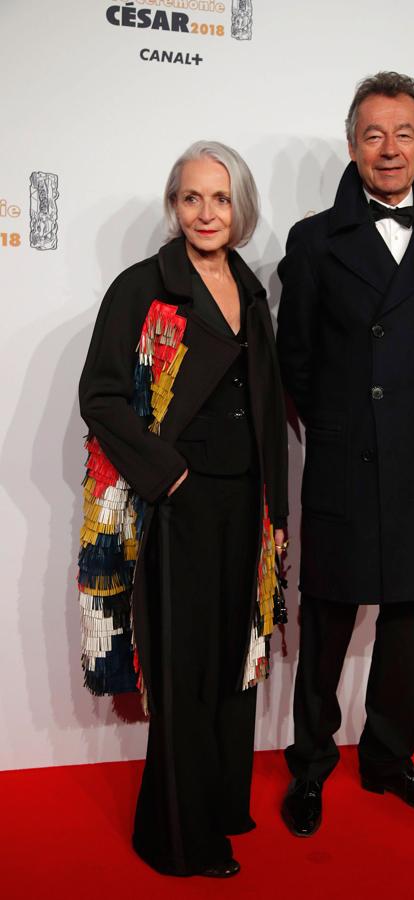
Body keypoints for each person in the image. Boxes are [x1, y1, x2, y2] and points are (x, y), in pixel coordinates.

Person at [277, 71, 414, 836]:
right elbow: (295, 358)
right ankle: (309, 764)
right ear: (352, 146)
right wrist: (344, 424)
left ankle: (389, 759)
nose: (389, 148)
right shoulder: (312, 240)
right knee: (326, 618)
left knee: (407, 619)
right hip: (347, 455)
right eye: (373, 135)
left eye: (403, 133)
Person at [77, 141, 288, 877]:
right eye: (192, 197)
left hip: (245, 504)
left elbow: (268, 407)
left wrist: (277, 512)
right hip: (179, 505)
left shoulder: (251, 288)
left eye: (220, 198)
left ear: (240, 208)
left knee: (235, 661)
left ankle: (222, 805)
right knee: (184, 669)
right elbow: (100, 395)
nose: (206, 212)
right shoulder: (143, 288)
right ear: (174, 205)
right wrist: (167, 477)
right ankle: (175, 837)